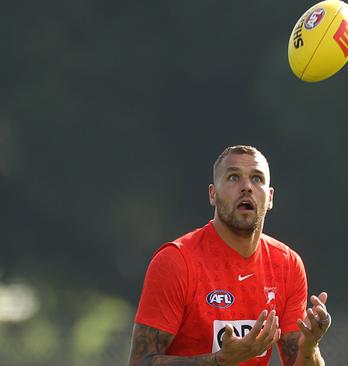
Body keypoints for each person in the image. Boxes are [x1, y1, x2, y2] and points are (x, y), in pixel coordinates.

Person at [128, 145, 331, 366]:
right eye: (234, 177)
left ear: (270, 197)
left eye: (257, 179)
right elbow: (140, 363)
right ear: (213, 195)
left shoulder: (287, 264)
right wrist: (219, 361)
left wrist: (310, 345)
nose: (247, 187)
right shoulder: (176, 261)